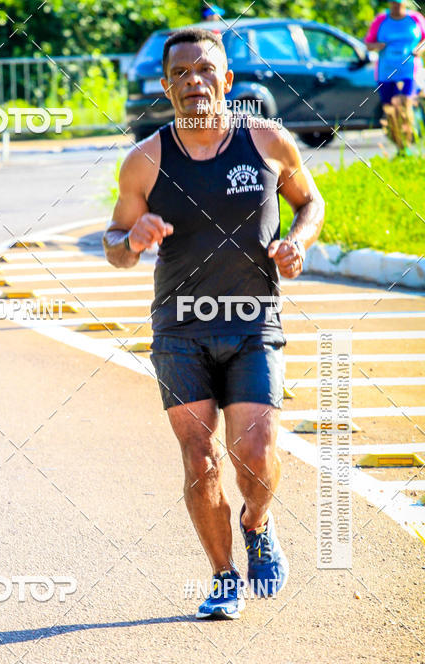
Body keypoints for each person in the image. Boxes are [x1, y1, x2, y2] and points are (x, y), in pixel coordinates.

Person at [103, 27, 324, 620]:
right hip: (179, 327)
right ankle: (224, 577)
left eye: (205, 71)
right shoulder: (145, 160)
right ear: (166, 85)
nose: (194, 82)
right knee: (199, 455)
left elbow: (310, 201)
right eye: (181, 73)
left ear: (227, 82)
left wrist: (297, 242)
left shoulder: (269, 142)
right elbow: (114, 244)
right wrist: (132, 239)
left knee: (255, 450)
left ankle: (258, 520)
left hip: (254, 321)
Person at [365, 1, 425, 107]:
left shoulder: (415, 18)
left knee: (407, 105)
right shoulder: (381, 20)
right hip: (386, 72)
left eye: (399, 3)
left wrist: (419, 49)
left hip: (410, 71)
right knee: (390, 107)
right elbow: (368, 44)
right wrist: (377, 46)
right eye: (393, 3)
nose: (396, 6)